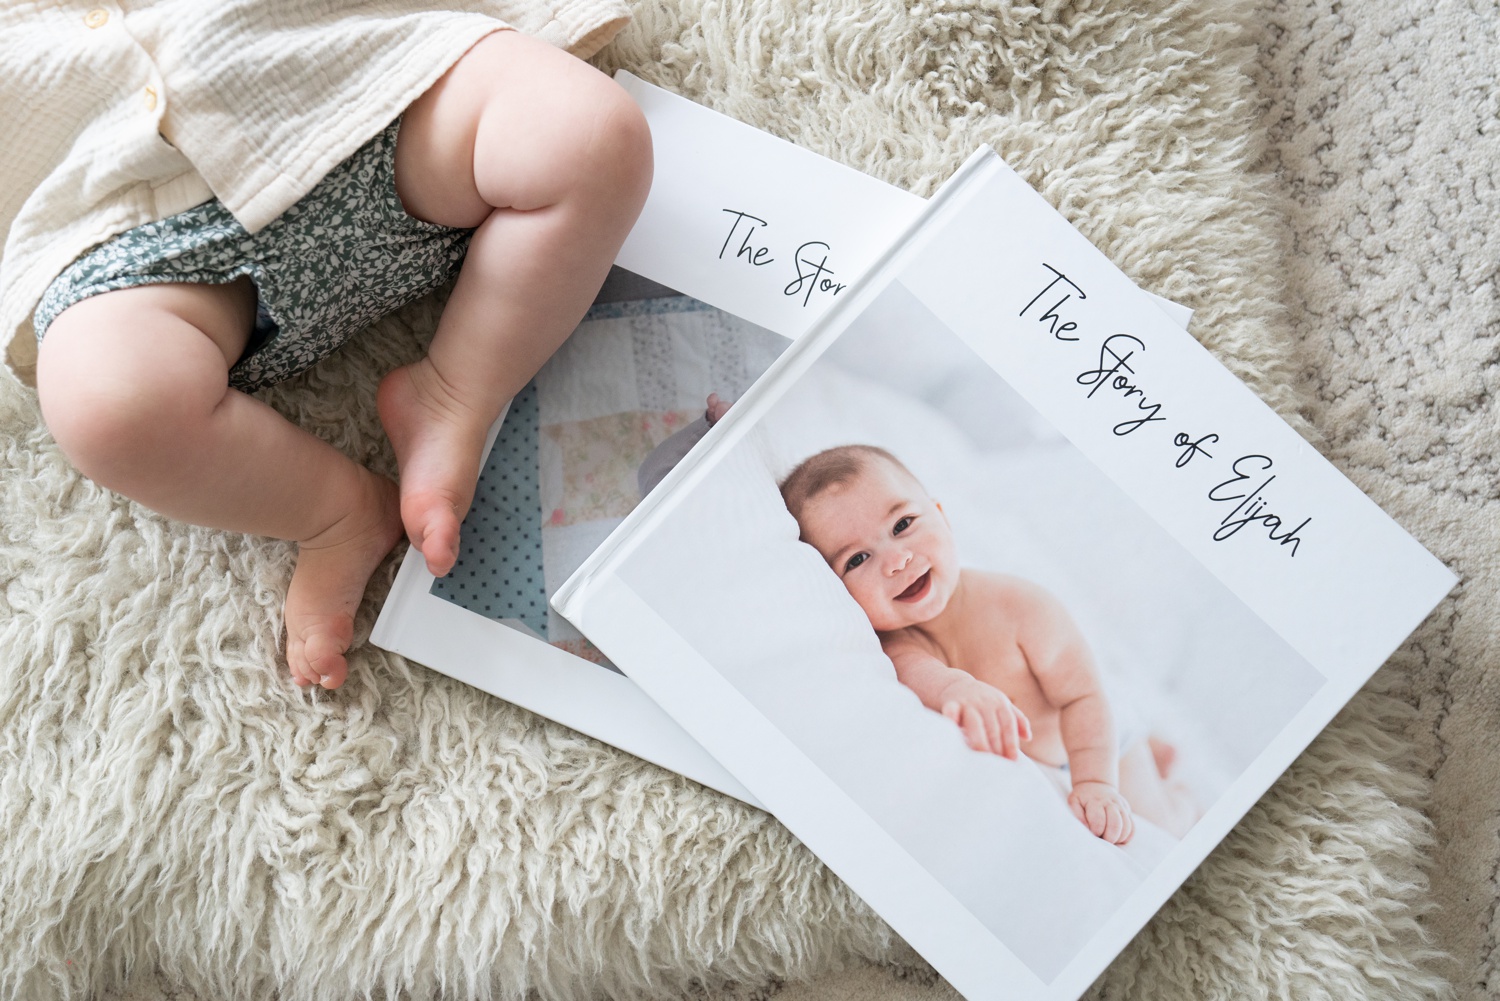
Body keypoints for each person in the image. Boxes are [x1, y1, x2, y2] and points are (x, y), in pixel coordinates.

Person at [1, 5, 650, 691]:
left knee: (590, 134)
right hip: (127, 227)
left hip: (351, 88)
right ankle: (337, 511)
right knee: (107, 403)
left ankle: (454, 392)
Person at [781, 444, 1198, 842]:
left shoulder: (1021, 606)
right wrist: (961, 689)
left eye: (902, 525)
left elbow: (1084, 696)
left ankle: (1181, 796)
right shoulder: (896, 643)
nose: (896, 560)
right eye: (856, 560)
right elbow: (926, 677)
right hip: (1047, 748)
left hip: (1100, 736)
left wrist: (1094, 782)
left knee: (1161, 826)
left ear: (943, 517)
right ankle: (1156, 751)